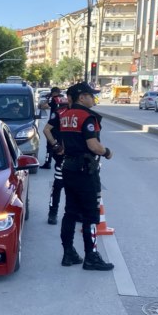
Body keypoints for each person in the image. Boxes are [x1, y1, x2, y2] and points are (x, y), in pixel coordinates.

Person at [58, 82, 114, 271]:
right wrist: (106, 152)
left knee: (70, 212)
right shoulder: (87, 117)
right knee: (91, 214)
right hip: (85, 170)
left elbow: (64, 145)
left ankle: (68, 253)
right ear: (82, 97)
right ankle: (91, 256)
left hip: (69, 168)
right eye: (91, 95)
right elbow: (93, 146)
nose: (93, 98)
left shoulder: (65, 116)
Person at [43, 88, 69, 224]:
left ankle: (78, 213)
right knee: (58, 185)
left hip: (76, 157)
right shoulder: (60, 113)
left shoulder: (83, 114)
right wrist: (55, 145)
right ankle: (53, 213)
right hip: (62, 155)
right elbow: (46, 129)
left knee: (76, 187)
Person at [41, 87, 63, 170]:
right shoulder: (63, 98)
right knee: (62, 143)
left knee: (50, 144)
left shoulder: (53, 99)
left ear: (53, 93)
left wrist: (47, 99)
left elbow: (43, 106)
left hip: (53, 124)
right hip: (62, 124)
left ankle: (48, 162)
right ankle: (61, 161)